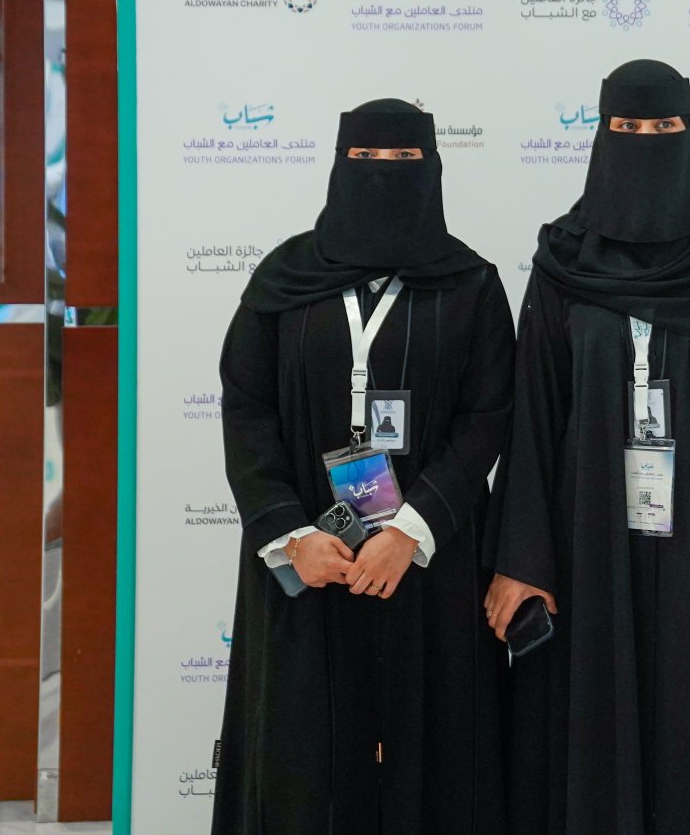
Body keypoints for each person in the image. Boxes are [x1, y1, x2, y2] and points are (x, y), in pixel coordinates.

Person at [485, 60, 690, 835]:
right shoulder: (561, 262)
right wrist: (524, 557)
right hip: (585, 534)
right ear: (601, 136)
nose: (645, 140)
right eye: (627, 127)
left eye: (663, 126)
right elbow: (531, 412)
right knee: (589, 717)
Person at [214, 99, 513, 835]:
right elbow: (246, 408)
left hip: (428, 562)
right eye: (367, 159)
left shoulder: (471, 285)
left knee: (431, 750)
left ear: (433, 168)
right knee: (303, 753)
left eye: (404, 160)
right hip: (310, 559)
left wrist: (410, 531)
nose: (385, 174)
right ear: (338, 165)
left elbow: (487, 416)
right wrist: (290, 535)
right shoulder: (283, 279)